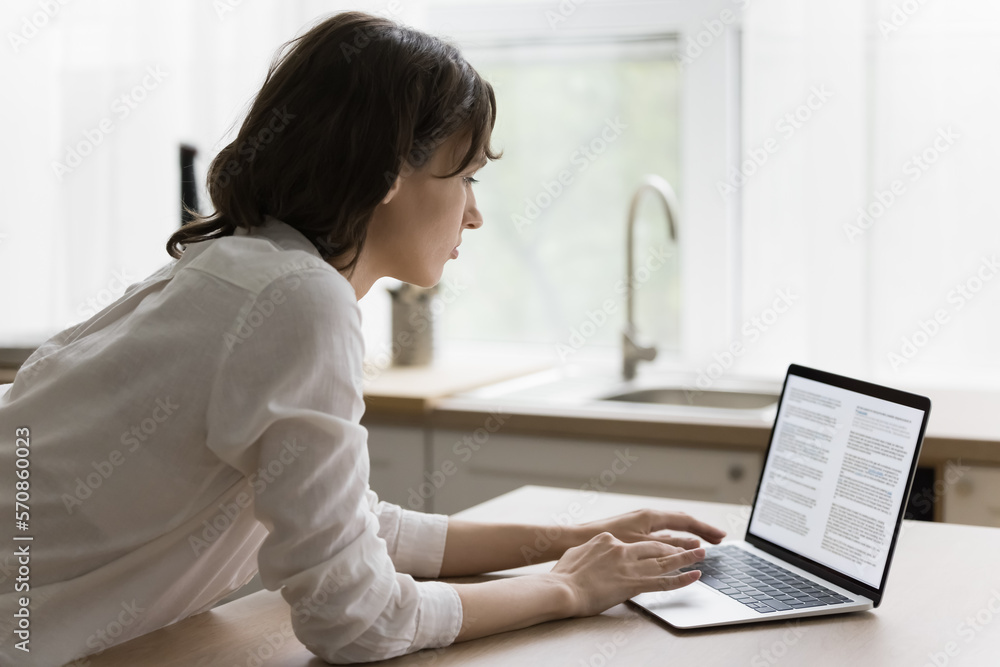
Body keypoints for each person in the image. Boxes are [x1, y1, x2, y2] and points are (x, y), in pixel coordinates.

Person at [0, 11, 725, 665]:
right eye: (466, 176)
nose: (473, 215)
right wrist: (565, 588)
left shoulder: (245, 267)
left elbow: (359, 528)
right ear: (386, 173)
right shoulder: (296, 300)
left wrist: (575, 538)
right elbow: (357, 618)